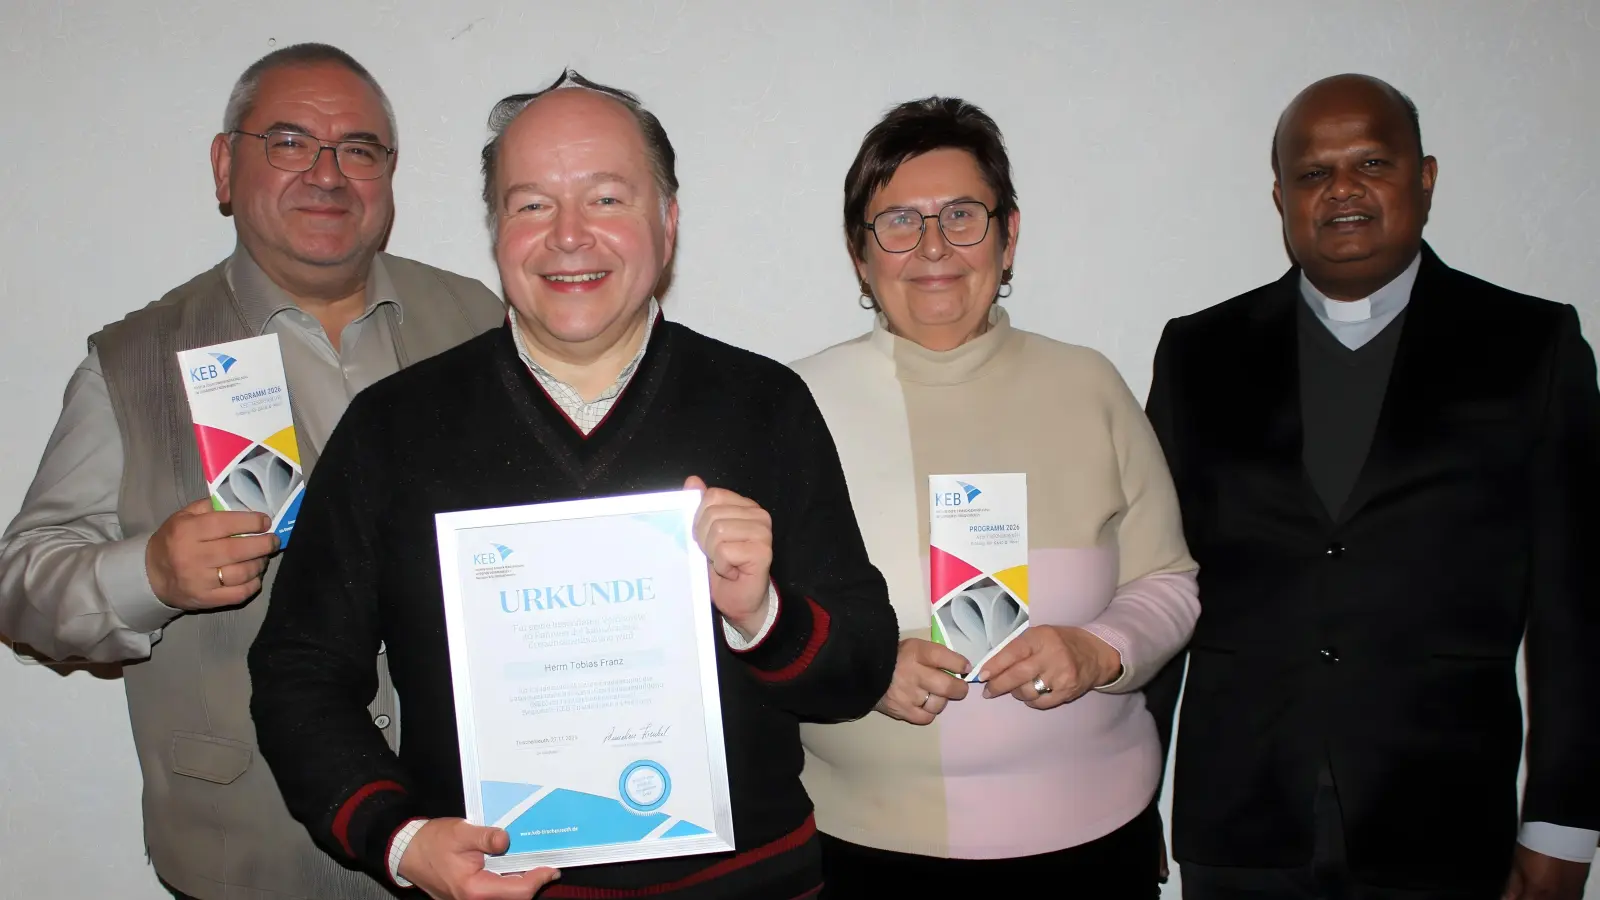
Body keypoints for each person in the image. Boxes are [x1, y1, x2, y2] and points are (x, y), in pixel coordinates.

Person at [246, 70, 899, 900]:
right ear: (495, 231)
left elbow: (861, 666)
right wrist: (401, 839)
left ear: (667, 221)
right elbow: (299, 669)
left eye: (605, 200)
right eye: (530, 204)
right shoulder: (394, 427)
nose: (567, 236)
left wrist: (760, 614)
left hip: (749, 884)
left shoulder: (763, 404)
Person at [0, 43, 505, 900]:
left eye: (359, 149)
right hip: (253, 848)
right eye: (289, 142)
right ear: (224, 166)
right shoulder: (133, 361)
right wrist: (148, 574)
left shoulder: (481, 323)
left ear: (389, 174)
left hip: (470, 833)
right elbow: (21, 584)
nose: (328, 174)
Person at [1144, 74, 1600, 900]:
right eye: (1314, 173)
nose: (1342, 189)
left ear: (1424, 179)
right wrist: (1133, 796)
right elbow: (1160, 581)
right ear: (1281, 197)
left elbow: (1579, 607)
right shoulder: (1199, 354)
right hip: (1242, 823)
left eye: (1373, 163)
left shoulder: (1534, 347)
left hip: (1448, 823)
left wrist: (1563, 824)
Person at [790, 97, 1198, 898]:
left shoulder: (1088, 386)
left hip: (1092, 842)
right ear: (859, 253)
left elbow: (1169, 582)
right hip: (867, 852)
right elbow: (755, 616)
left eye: (963, 216)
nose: (934, 246)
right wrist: (862, 670)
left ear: (1008, 236)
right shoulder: (794, 404)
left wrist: (1100, 649)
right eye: (899, 221)